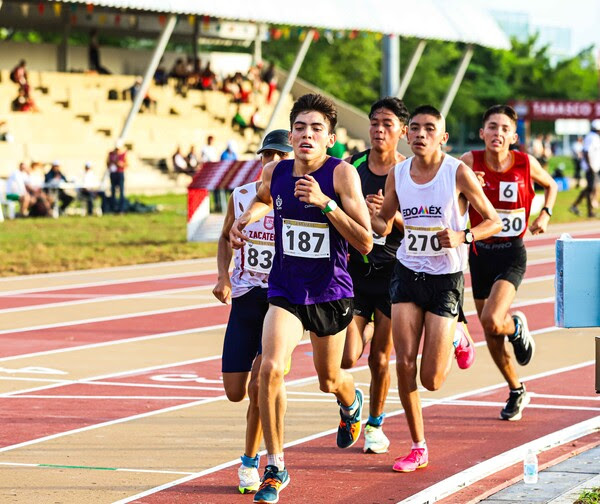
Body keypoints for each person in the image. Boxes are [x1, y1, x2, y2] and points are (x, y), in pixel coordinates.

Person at [230, 94, 373, 503]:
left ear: (330, 139)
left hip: (330, 292)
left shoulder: (342, 175)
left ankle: (350, 400)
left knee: (329, 380)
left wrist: (326, 204)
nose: (307, 135)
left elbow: (365, 241)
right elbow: (263, 198)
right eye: (300, 128)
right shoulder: (275, 171)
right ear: (290, 135)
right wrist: (245, 219)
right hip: (286, 290)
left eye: (316, 129)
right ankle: (276, 465)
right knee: (270, 369)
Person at [370, 105, 501, 473]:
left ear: (443, 137)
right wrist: (373, 213)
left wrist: (463, 236)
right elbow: (384, 225)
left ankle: (458, 333)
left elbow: (493, 220)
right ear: (407, 135)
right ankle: (418, 446)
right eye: (414, 128)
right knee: (404, 363)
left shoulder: (456, 172)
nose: (421, 134)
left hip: (446, 279)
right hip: (407, 272)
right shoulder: (397, 174)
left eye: (429, 129)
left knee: (432, 379)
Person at [461, 104, 558, 422]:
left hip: (511, 253)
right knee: (490, 331)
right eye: (492, 127)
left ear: (514, 136)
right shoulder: (469, 162)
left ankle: (515, 326)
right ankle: (516, 389)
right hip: (480, 254)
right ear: (482, 132)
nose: (498, 133)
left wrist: (545, 214)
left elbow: (551, 185)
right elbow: (450, 195)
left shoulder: (525, 163)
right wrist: (467, 186)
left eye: (505, 129)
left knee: (492, 319)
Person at [213, 129, 293, 495]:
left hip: (281, 301)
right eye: (267, 155)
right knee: (235, 391)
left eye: (281, 156)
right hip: (246, 297)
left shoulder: (298, 198)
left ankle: (250, 461)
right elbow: (224, 236)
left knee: (261, 383)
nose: (272, 161)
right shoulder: (242, 194)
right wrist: (222, 277)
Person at [340, 97, 409, 455]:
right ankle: (351, 400)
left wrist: (390, 216)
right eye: (374, 123)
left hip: (393, 273)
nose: (379, 130)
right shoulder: (352, 166)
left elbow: (421, 226)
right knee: (346, 357)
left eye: (387, 124)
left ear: (402, 131)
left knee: (380, 358)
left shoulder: (409, 172)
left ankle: (375, 425)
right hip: (355, 270)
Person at [570, 119, 600, 218]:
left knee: (590, 188)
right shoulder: (592, 137)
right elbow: (586, 152)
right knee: (591, 188)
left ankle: (582, 208)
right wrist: (590, 166)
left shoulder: (594, 137)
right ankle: (579, 207)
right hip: (590, 168)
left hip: (594, 167)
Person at [107, 141, 128, 213]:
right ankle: (113, 208)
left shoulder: (123, 154)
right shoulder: (111, 154)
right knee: (113, 191)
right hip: (113, 174)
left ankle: (121, 209)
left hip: (120, 173)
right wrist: (111, 164)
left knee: (121, 192)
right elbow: (107, 162)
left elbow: (126, 164)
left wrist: (120, 164)